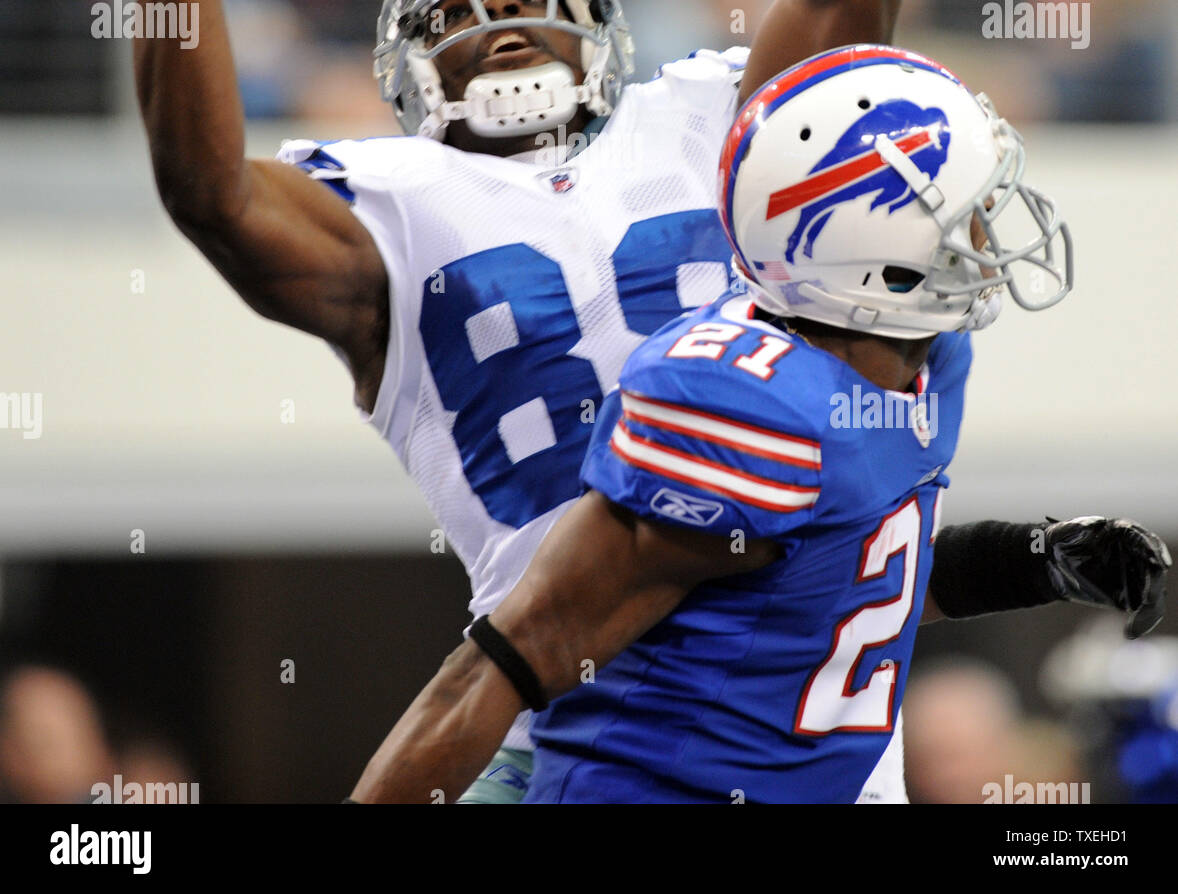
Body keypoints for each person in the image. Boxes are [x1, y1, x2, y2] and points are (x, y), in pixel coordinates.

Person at [61, 0, 1167, 805]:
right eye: (461, 15)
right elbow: (206, 188)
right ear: (403, 70)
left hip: (787, 658)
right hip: (553, 690)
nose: (500, 24)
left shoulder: (709, 123)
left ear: (602, 28)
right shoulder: (385, 203)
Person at [348, 46, 1168, 804]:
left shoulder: (925, 361)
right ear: (874, 247)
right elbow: (513, 655)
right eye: (968, 209)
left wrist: (1032, 561)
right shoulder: (745, 409)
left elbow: (838, 581)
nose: (992, 230)